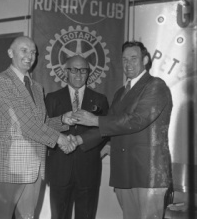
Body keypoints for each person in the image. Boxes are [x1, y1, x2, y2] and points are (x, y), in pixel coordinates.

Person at [73, 41, 173, 219]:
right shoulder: (120, 92)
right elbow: (110, 127)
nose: (128, 63)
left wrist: (95, 119)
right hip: (124, 172)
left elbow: (137, 120)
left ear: (146, 59)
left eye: (134, 58)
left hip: (148, 173)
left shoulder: (156, 86)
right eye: (124, 59)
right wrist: (79, 140)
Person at [0, 36, 77, 219]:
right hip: (9, 168)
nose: (30, 56)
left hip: (35, 168)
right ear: (11, 53)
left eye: (33, 52)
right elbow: (23, 124)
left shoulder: (37, 87)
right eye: (24, 50)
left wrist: (62, 120)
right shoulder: (0, 81)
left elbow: (39, 124)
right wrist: (60, 139)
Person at [45, 55, 109, 219]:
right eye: (74, 70)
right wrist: (61, 140)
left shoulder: (100, 100)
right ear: (66, 72)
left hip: (88, 169)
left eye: (83, 70)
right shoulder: (52, 99)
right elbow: (44, 128)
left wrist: (80, 141)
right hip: (59, 169)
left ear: (88, 73)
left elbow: (103, 131)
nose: (79, 74)